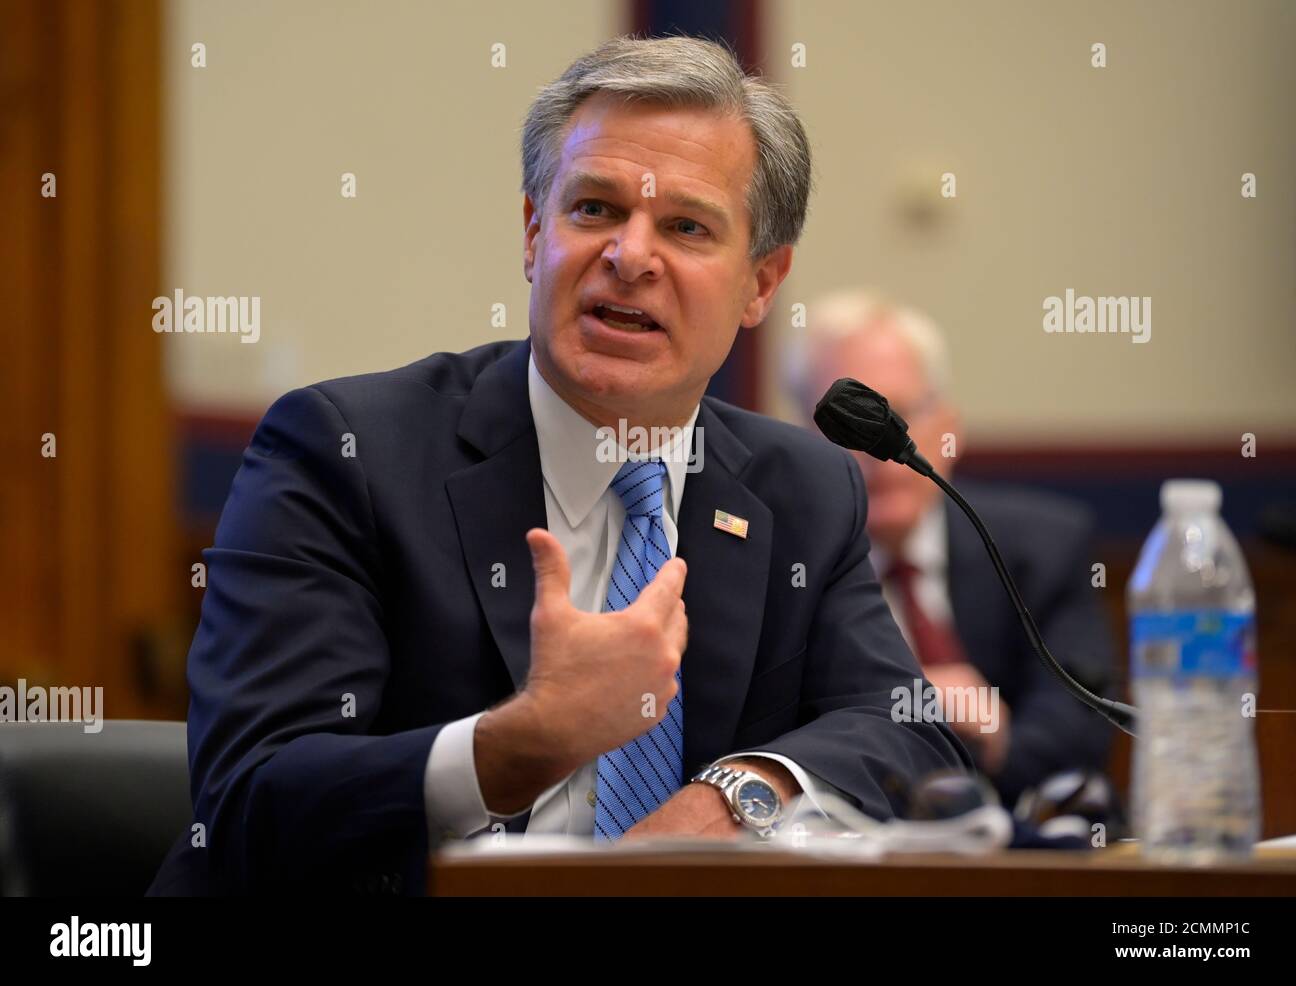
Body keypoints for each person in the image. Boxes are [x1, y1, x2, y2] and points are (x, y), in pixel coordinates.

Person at [150, 37, 968, 895]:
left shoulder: (799, 487)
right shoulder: (345, 451)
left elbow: (904, 733)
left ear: (761, 283)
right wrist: (517, 746)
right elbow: (249, 803)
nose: (630, 255)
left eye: (686, 227)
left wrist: (735, 796)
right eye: (595, 210)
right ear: (536, 233)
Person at [790, 289, 1115, 804]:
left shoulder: (1044, 546)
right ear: (802, 442)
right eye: (851, 424)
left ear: (949, 428)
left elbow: (1083, 717)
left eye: (897, 414)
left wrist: (1000, 741)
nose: (875, 450)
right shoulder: (782, 566)